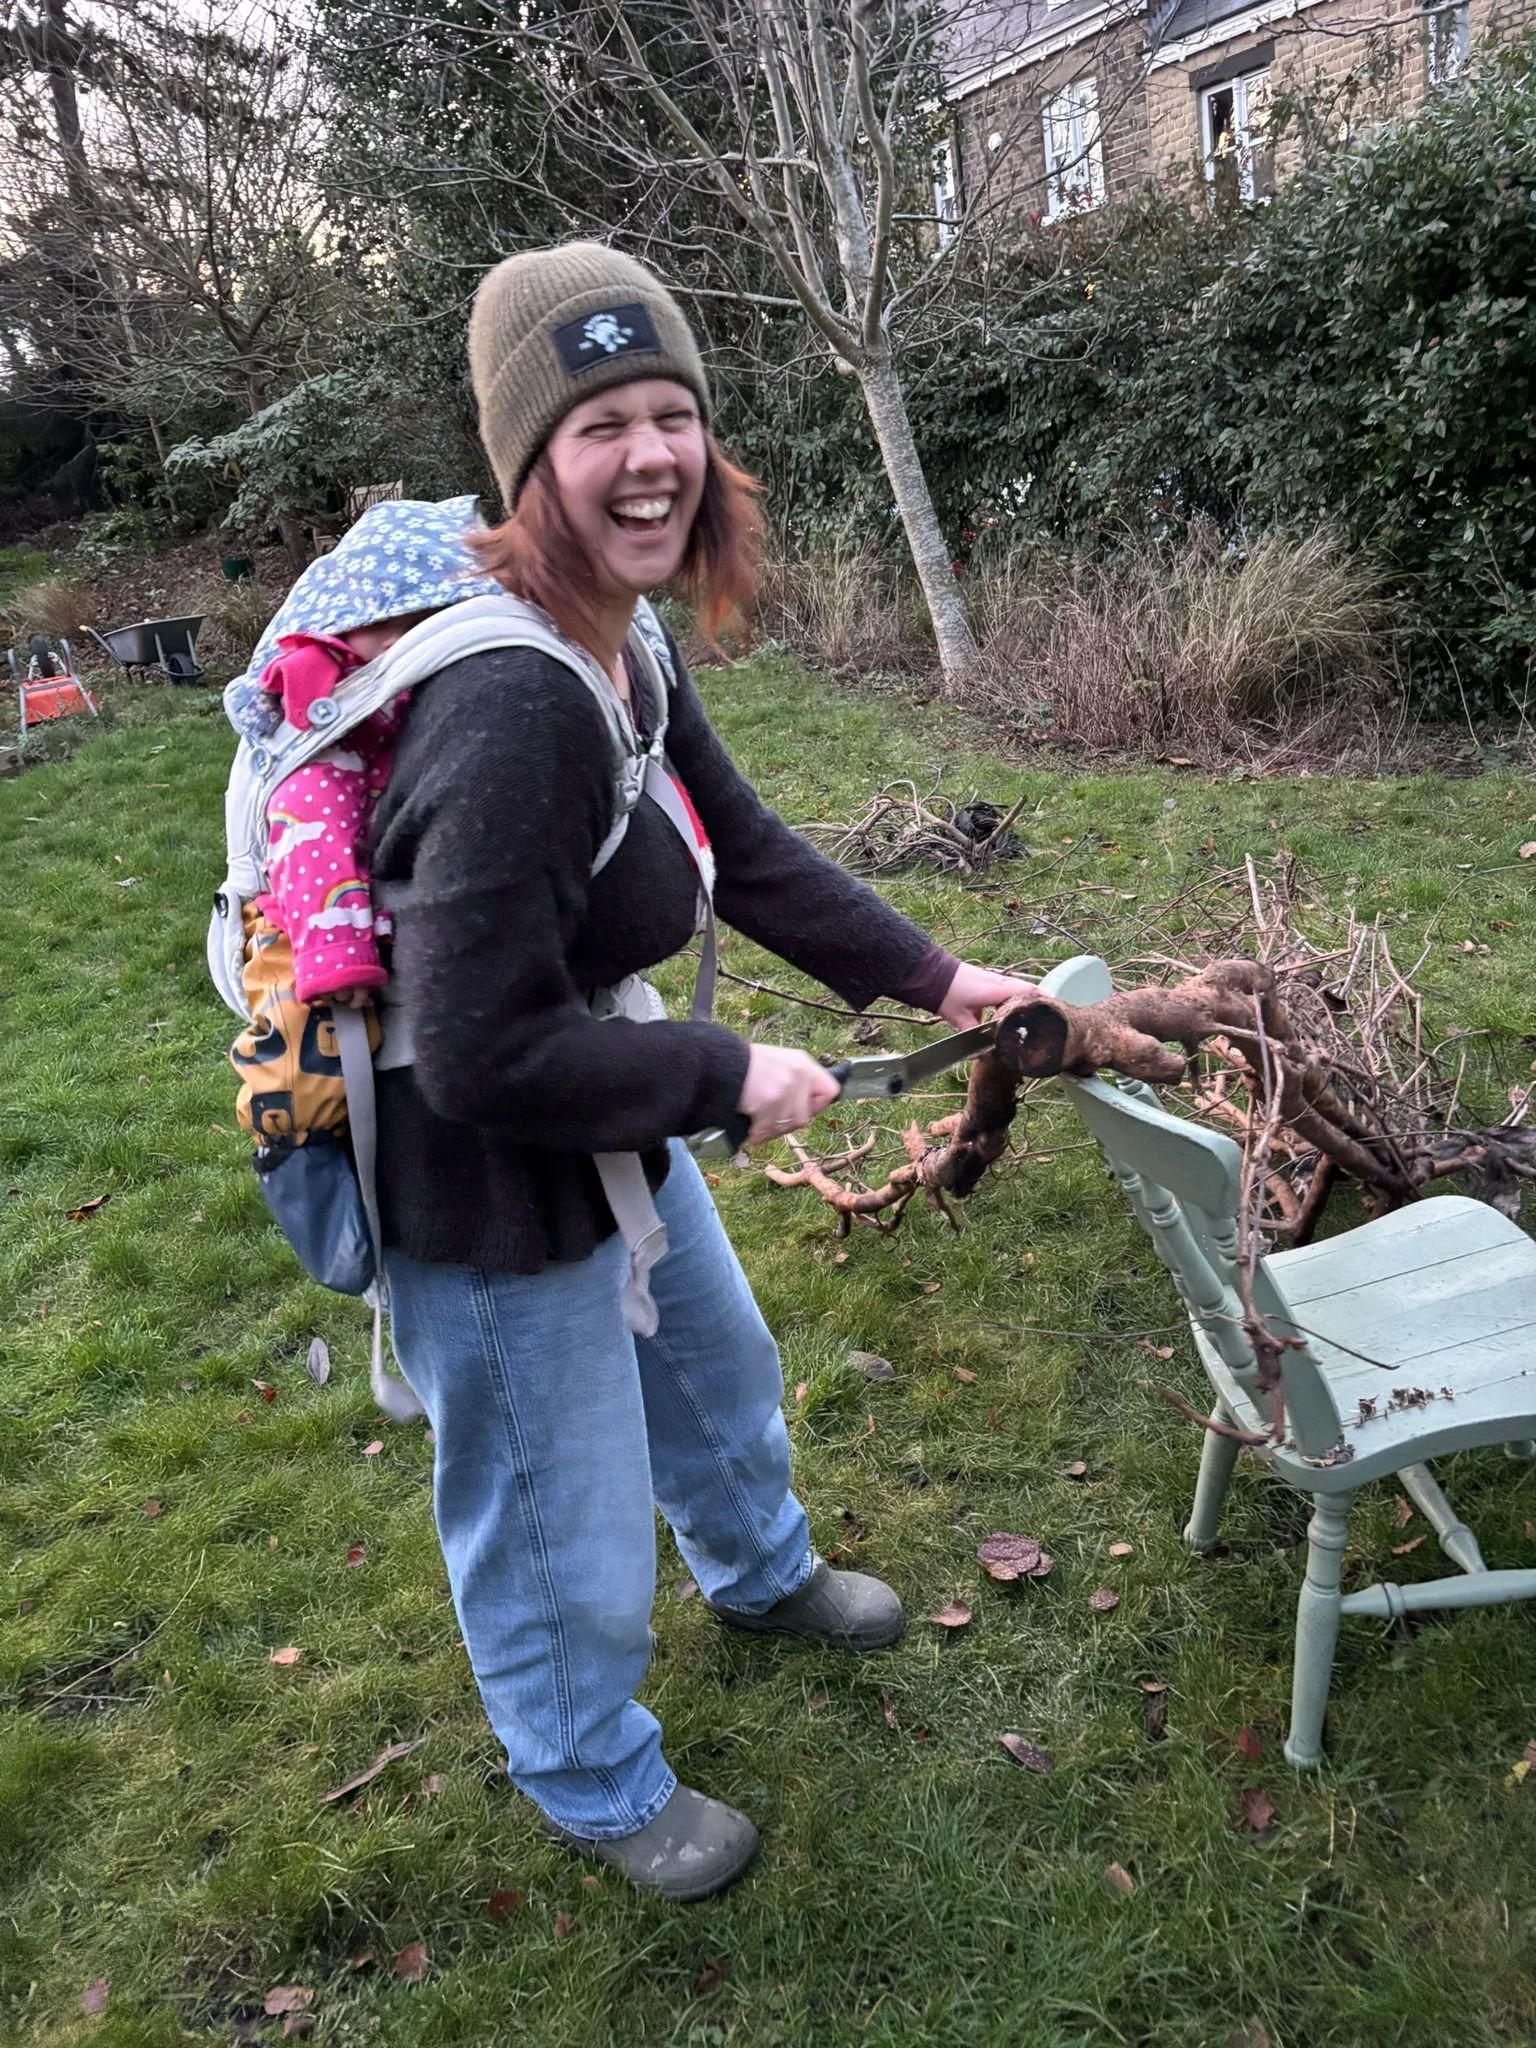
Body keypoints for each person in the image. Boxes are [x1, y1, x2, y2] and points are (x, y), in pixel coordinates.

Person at [369, 243, 1035, 1902]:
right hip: (474, 1159)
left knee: (713, 1371)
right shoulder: (513, 700)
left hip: (593, 1081)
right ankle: (590, 1775)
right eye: (602, 426)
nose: (652, 454)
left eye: (673, 413)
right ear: (531, 463)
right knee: (547, 1505)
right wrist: (726, 1068)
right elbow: (467, 1048)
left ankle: (759, 1573)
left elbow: (742, 844)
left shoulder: (622, 645)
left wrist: (941, 976)